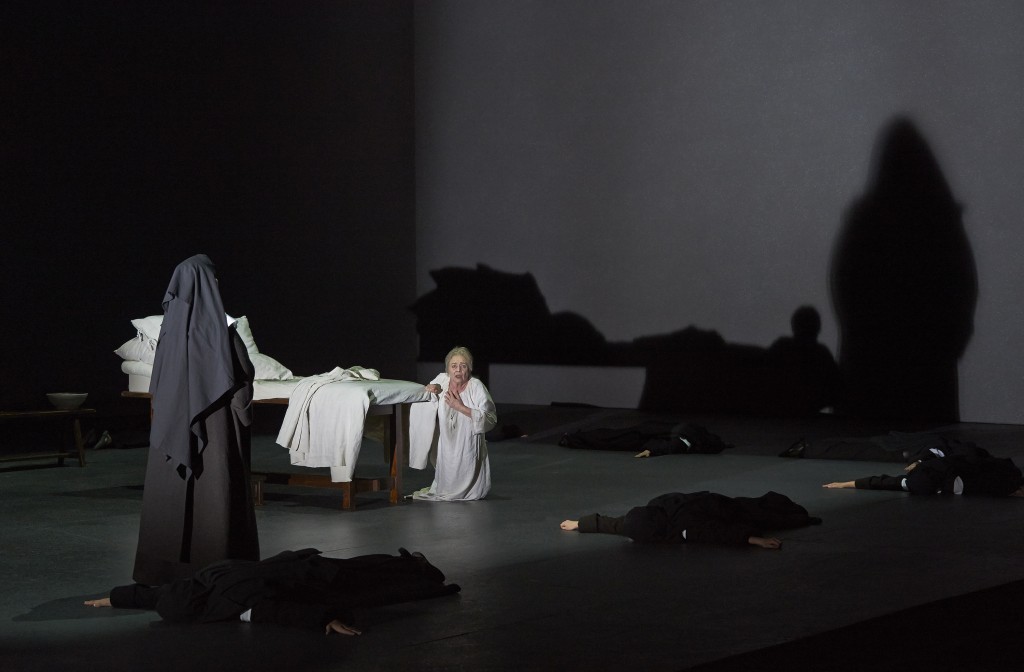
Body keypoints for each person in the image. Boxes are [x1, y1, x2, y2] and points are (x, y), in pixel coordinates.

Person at [133, 254, 260, 586]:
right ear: (207, 284)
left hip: (172, 433)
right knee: (215, 495)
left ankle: (162, 572)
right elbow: (241, 376)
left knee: (171, 499)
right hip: (216, 430)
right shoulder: (221, 331)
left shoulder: (168, 332)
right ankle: (219, 569)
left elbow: (158, 383)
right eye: (214, 279)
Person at [85, 548, 461, 635]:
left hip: (315, 582)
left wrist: (326, 619)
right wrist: (113, 598)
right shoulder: (205, 579)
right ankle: (411, 563)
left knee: (376, 585)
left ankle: (421, 573)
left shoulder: (235, 604)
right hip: (307, 565)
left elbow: (277, 612)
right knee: (363, 567)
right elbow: (152, 595)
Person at [559, 491, 822, 549]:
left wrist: (757, 540)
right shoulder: (652, 511)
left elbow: (715, 533)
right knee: (757, 506)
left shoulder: (683, 529)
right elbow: (610, 523)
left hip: (725, 510)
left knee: (770, 515)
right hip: (709, 502)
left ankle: (803, 518)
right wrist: (578, 524)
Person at [408, 346, 497, 501]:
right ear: (448, 369)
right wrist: (432, 389)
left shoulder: (476, 387)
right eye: (454, 366)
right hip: (446, 443)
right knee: (447, 481)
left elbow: (490, 418)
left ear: (469, 369)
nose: (458, 370)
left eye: (463, 366)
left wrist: (460, 407)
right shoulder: (442, 380)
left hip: (467, 444)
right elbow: (428, 393)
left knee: (465, 481)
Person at [822, 449, 1024, 497]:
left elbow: (883, 482)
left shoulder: (921, 477)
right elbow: (883, 482)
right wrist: (846, 484)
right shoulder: (920, 478)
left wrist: (846, 484)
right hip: (958, 475)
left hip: (956, 474)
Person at [780, 430, 988, 463]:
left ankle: (807, 447)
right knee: (854, 449)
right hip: (894, 447)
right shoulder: (947, 450)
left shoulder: (951, 449)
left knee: (854, 447)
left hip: (895, 445)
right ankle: (806, 448)